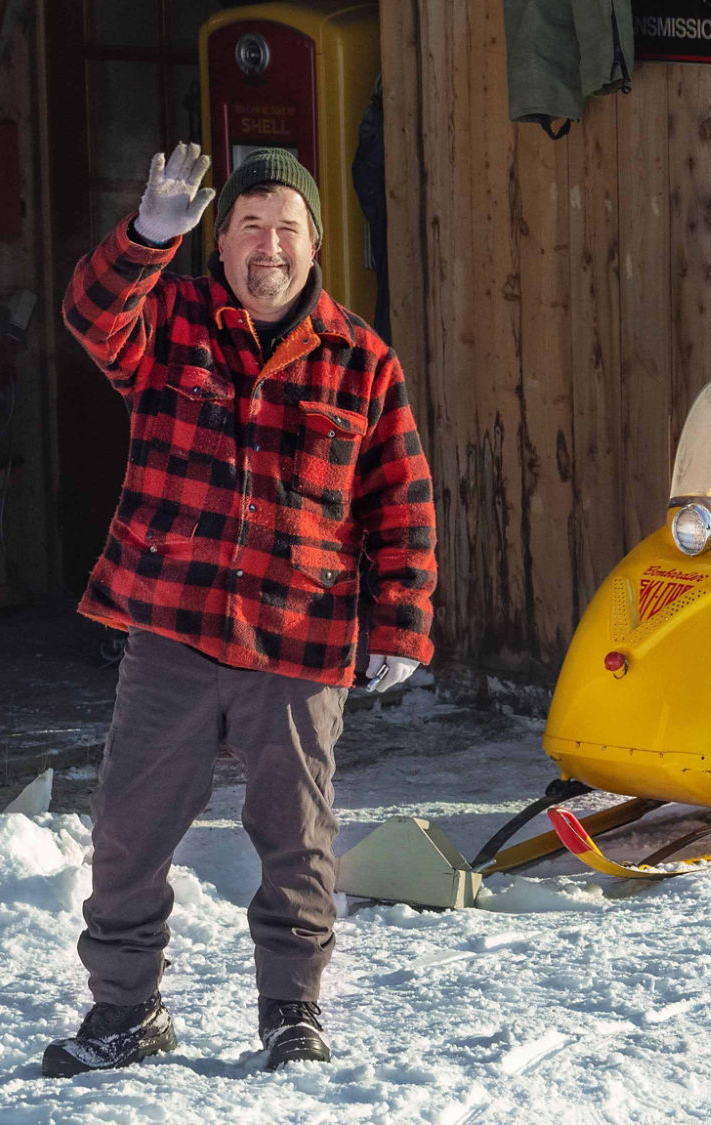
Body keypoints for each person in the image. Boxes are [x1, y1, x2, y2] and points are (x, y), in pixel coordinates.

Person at [42, 143, 437, 1076]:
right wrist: (144, 237)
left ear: (315, 244)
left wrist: (401, 621)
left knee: (296, 837)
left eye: (286, 227)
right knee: (130, 827)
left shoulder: (361, 361)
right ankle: (125, 1011)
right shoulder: (171, 321)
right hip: (174, 625)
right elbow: (90, 316)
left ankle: (292, 1012)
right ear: (218, 245)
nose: (269, 245)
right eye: (250, 226)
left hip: (299, 638)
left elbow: (402, 501)